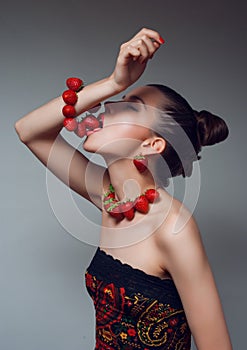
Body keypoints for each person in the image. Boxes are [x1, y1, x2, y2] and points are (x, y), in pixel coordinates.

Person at [15, 28, 233, 349]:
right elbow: (29, 130)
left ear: (152, 144)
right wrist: (114, 82)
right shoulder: (108, 197)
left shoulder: (172, 226)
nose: (109, 107)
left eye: (130, 107)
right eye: (118, 100)